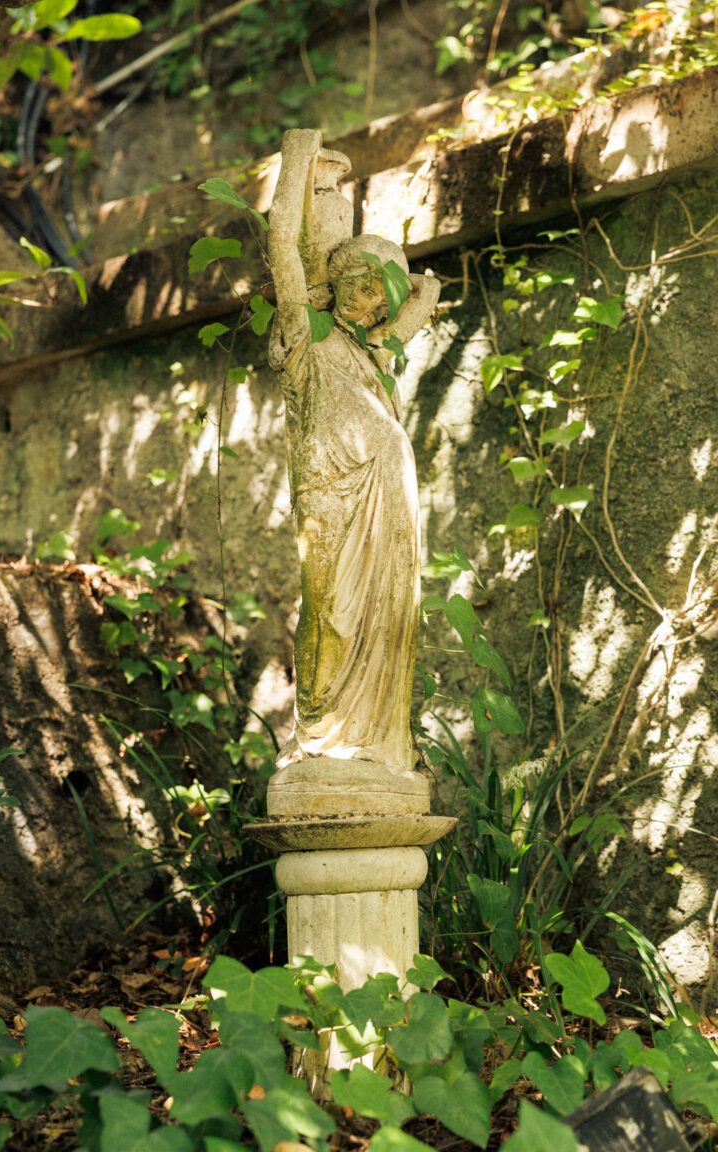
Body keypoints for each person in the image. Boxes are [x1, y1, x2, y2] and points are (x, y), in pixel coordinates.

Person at [268, 128, 440, 779]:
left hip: (389, 494)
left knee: (391, 620)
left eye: (378, 295)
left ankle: (376, 740)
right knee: (331, 615)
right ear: (337, 281)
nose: (369, 303)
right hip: (332, 494)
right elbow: (283, 242)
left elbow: (407, 322)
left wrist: (418, 295)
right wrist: (296, 157)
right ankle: (319, 737)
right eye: (361, 285)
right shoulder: (306, 329)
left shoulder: (375, 348)